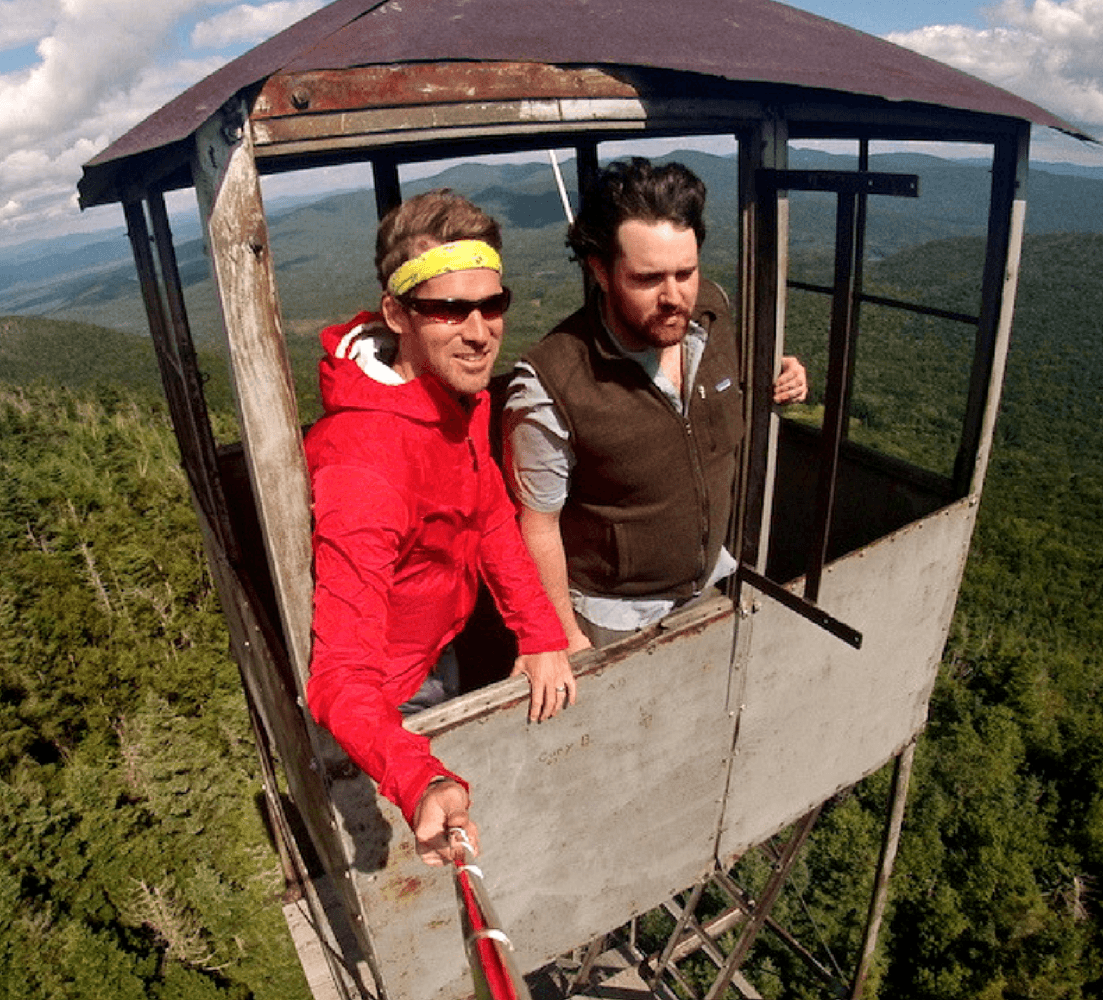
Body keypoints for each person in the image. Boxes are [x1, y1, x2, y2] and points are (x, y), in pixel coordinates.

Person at [305, 190, 574, 866]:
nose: (479, 330)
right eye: (450, 309)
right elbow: (341, 675)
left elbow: (488, 516)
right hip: (395, 699)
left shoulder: (454, 399)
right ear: (397, 312)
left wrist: (540, 632)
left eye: (492, 305)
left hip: (439, 642)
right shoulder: (366, 465)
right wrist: (417, 777)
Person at [503, 158, 808, 652]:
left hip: (714, 579)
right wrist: (563, 635)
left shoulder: (710, 310)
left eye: (685, 271)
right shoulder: (550, 382)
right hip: (615, 617)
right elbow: (538, 523)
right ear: (600, 270)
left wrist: (782, 373)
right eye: (647, 279)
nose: (674, 297)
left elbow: (730, 378)